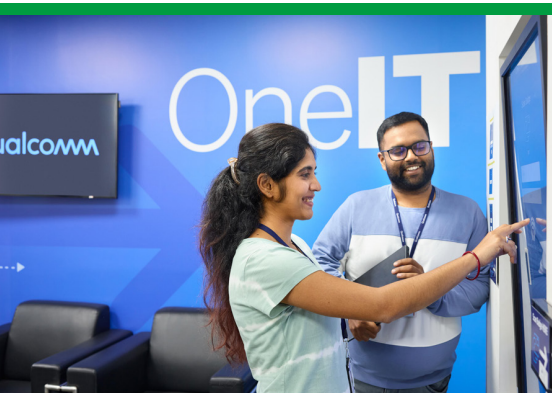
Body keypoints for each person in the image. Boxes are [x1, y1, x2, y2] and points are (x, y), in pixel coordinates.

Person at [199, 123, 527, 393]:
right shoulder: (264, 259)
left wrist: (348, 318)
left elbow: (307, 325)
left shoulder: (294, 243)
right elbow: (383, 305)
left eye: (314, 172)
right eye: (305, 174)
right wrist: (476, 256)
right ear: (267, 185)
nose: (317, 185)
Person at [312, 112, 494, 392]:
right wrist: (350, 309)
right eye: (397, 151)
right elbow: (319, 264)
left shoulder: (468, 212)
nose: (411, 156)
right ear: (382, 159)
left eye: (420, 146)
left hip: (434, 381)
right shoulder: (356, 206)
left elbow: (480, 286)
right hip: (361, 380)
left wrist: (428, 290)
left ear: (431, 148)